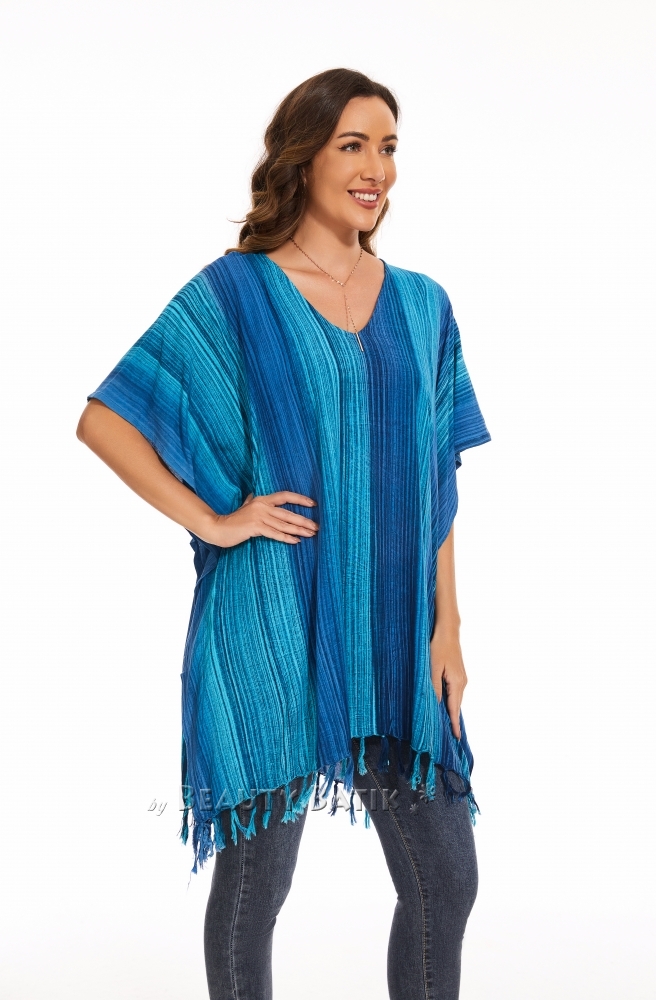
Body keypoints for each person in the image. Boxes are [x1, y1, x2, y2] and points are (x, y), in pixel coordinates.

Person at [76, 67, 491, 1000]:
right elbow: (106, 420)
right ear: (303, 159)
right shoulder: (235, 293)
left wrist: (448, 627)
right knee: (257, 884)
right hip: (267, 618)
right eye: (353, 145)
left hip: (393, 634)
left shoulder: (423, 304)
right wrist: (214, 521)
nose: (376, 168)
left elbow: (437, 478)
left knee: (446, 876)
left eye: (388, 148)